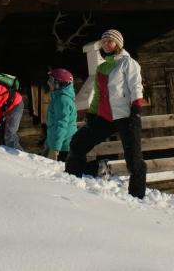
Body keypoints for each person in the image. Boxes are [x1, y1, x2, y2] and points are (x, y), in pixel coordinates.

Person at [65, 29, 148, 199]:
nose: (106, 44)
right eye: (103, 41)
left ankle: (137, 197)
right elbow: (97, 93)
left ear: (118, 43)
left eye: (109, 41)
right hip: (105, 116)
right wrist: (91, 113)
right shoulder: (102, 67)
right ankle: (72, 182)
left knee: (134, 159)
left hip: (126, 115)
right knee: (78, 142)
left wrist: (136, 111)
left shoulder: (128, 63)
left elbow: (136, 87)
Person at [44, 68, 77, 161]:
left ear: (59, 83)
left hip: (63, 149)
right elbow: (53, 125)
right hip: (58, 145)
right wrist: (48, 143)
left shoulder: (62, 101)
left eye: (51, 80)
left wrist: (55, 149)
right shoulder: (58, 98)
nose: (48, 83)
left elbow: (61, 125)